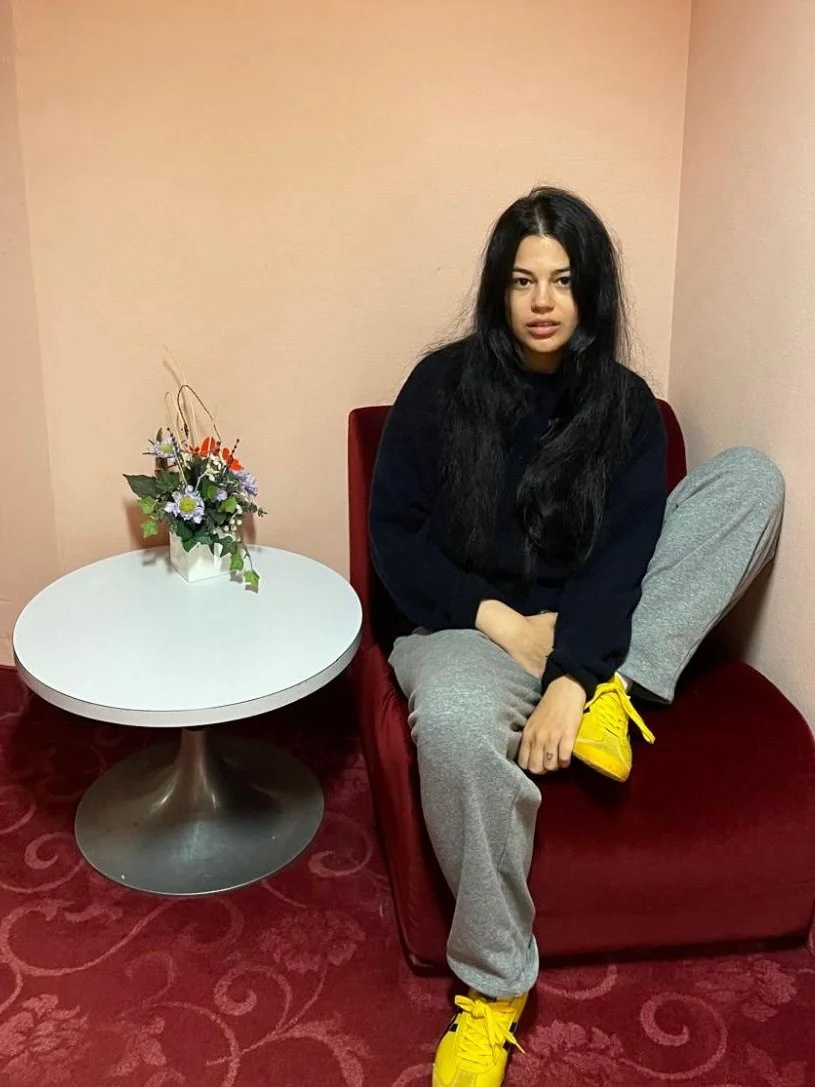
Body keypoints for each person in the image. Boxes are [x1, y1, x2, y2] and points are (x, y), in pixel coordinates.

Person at [368, 187, 784, 1087]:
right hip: (464, 623)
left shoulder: (624, 406)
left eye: (561, 279)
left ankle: (620, 693)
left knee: (749, 479)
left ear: (590, 289)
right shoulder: (438, 385)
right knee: (451, 726)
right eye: (522, 280)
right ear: (498, 290)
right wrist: (501, 623)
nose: (542, 300)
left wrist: (579, 674)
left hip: (595, 625)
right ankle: (489, 996)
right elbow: (392, 537)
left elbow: (626, 553)